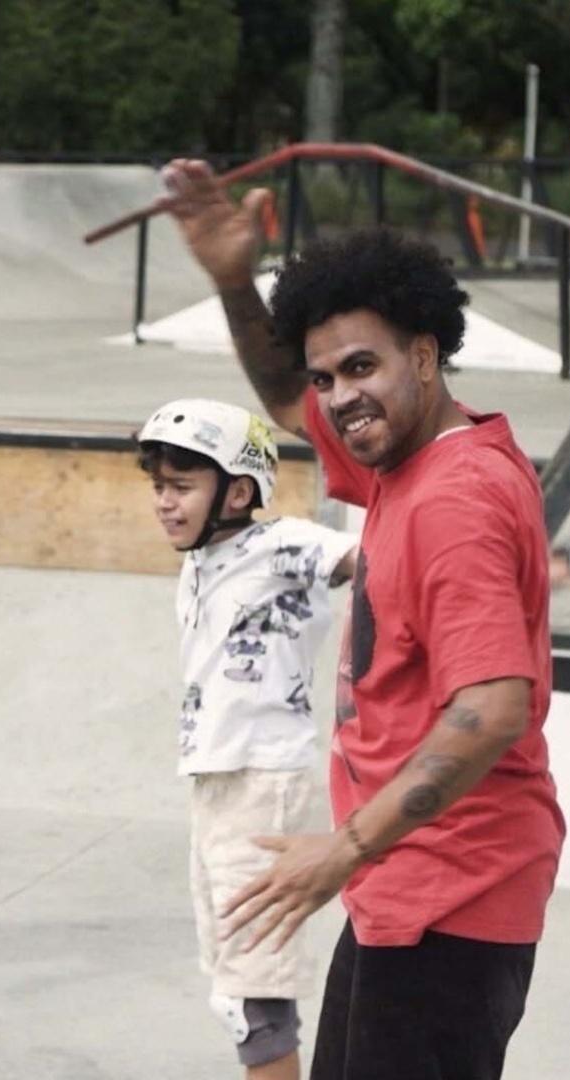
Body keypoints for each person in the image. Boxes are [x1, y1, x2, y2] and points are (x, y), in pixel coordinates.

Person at [162, 159, 566, 1080]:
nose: (340, 397)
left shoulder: (453, 500)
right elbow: (281, 399)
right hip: (411, 888)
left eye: (362, 368)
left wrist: (338, 852)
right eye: (327, 377)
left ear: (424, 356)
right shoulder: (411, 460)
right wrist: (233, 279)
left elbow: (493, 705)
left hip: (451, 896)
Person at [136, 398, 358, 1080]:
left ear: (238, 491)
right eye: (158, 488)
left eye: (181, 487)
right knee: (233, 985)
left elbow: (374, 561)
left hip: (265, 787)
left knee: (255, 1001)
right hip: (217, 783)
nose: (164, 504)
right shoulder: (202, 559)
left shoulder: (281, 542)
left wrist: (519, 565)